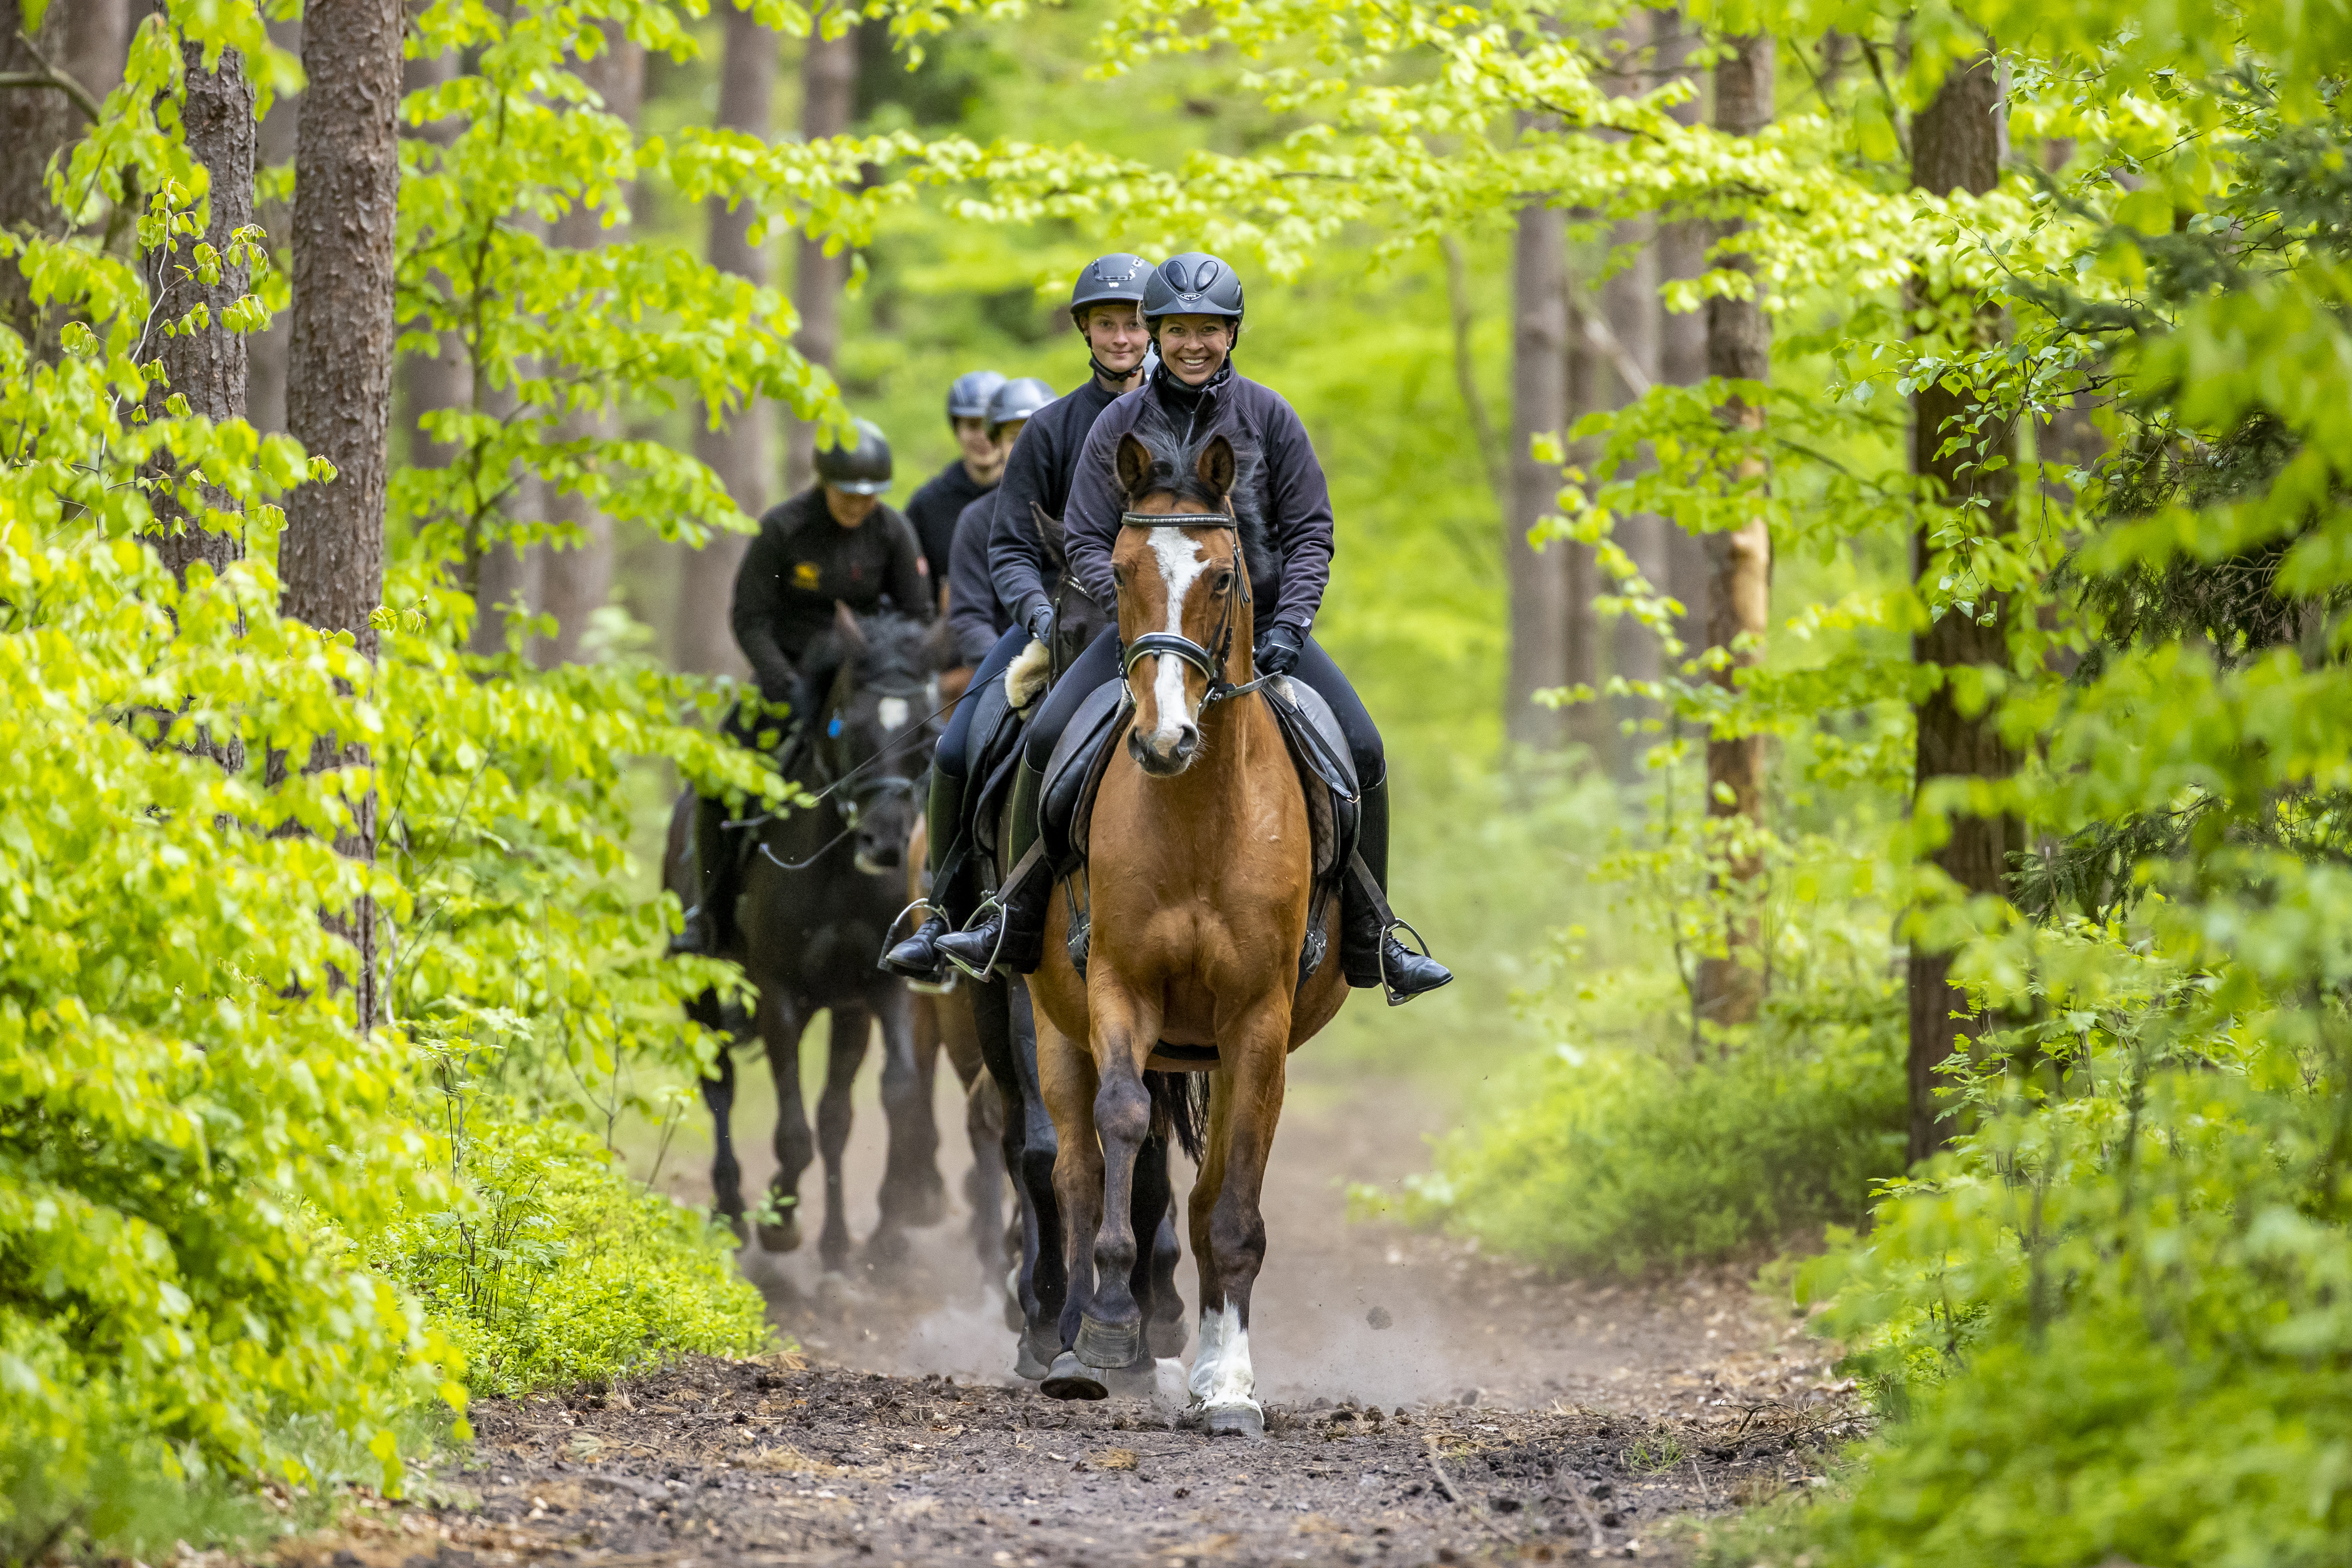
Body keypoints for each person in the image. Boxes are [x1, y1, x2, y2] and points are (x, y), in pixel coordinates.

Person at [929, 252, 1452, 1003]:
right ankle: (1009, 918)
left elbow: (1310, 533)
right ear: (1156, 336)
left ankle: (1373, 935)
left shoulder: (1270, 418)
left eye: (1208, 330)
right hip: (1147, 632)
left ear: (1231, 335)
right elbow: (1081, 535)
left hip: (1260, 632)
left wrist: (1291, 625)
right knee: (1043, 740)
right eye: (1177, 331)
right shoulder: (1118, 423)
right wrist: (1137, 617)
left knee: (1362, 745)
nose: (1192, 344)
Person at [881, 254, 1155, 980]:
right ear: (1084, 331)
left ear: (1153, 329)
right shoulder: (1050, 430)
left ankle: (1339, 914)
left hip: (1178, 628)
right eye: (1106, 323)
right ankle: (947, 913)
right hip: (1068, 625)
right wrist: (1037, 618)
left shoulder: (1192, 418)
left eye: (1132, 323)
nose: (1121, 337)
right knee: (956, 747)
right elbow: (1008, 546)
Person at [672, 418, 933, 957]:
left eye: (868, 496)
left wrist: (890, 671)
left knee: (936, 761)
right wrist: (778, 677)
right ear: (823, 483)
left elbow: (917, 616)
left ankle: (935, 911)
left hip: (865, 685)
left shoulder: (892, 532)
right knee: (718, 777)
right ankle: (706, 913)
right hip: (787, 678)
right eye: (847, 494)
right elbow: (750, 616)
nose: (857, 505)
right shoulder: (784, 530)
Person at [945, 375, 1057, 667]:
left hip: (1084, 654)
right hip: (1007, 662)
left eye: (1038, 434)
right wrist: (1009, 669)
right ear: (997, 445)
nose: (1028, 446)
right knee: (967, 716)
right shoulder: (976, 520)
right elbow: (970, 619)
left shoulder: (1087, 505)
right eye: (1014, 437)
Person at [904, 369, 1008, 609]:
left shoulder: (1033, 496)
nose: (983, 436)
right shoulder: (927, 504)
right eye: (973, 426)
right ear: (956, 430)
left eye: (990, 426)